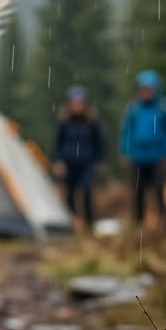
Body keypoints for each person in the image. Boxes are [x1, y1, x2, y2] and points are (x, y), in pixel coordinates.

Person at [119, 69, 166, 226]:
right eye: (143, 88)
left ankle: (164, 221)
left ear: (156, 88)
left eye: (148, 88)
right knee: (138, 191)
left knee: (160, 190)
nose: (146, 92)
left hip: (158, 156)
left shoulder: (165, 107)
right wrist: (126, 151)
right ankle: (139, 223)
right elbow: (126, 131)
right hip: (138, 156)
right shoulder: (133, 108)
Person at [52, 86, 105, 230]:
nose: (77, 106)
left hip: (86, 162)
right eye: (74, 103)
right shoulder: (64, 123)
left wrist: (99, 160)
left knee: (87, 191)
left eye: (80, 103)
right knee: (69, 193)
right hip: (69, 162)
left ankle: (89, 222)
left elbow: (99, 142)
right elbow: (58, 142)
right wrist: (58, 161)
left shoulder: (91, 123)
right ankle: (71, 222)